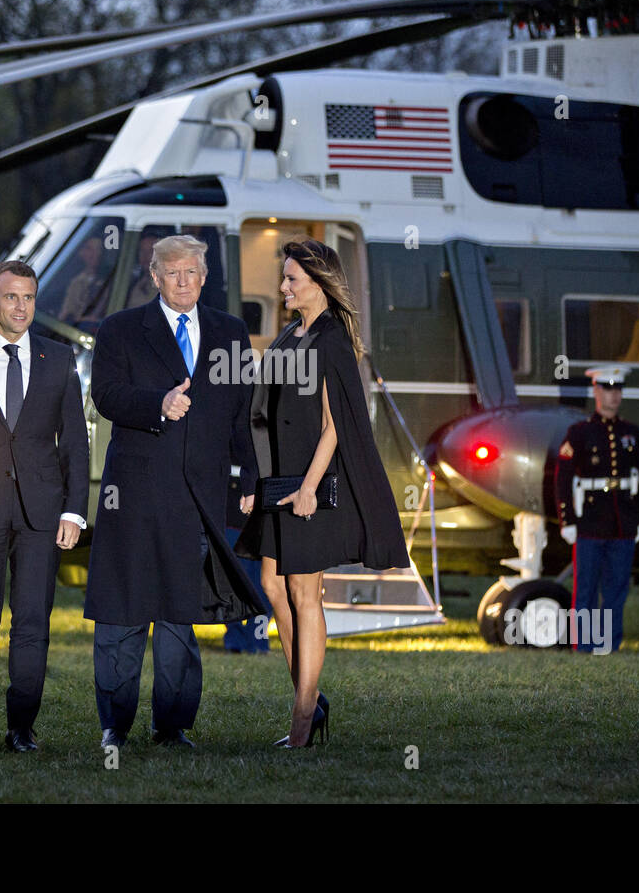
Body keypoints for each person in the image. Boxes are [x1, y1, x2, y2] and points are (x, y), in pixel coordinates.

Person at [84, 234, 263, 749]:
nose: (183, 281)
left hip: (198, 498)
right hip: (134, 495)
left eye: (192, 272)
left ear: (204, 278)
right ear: (154, 277)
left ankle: (173, 725)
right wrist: (158, 405)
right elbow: (106, 395)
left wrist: (248, 477)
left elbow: (240, 412)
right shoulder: (120, 330)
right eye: (172, 272)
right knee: (123, 610)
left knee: (179, 615)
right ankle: (114, 725)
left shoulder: (230, 332)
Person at [236, 239, 409, 748]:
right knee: (272, 586)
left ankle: (302, 719)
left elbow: (336, 425)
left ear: (318, 282)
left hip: (312, 483)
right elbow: (265, 413)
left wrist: (309, 487)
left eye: (291, 279)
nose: (283, 287)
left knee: (303, 593)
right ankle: (310, 700)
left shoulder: (332, 339)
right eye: (284, 278)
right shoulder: (292, 334)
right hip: (280, 482)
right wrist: (258, 485)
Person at [0, 260, 89, 753]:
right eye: (11, 298)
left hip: (42, 514)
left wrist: (74, 511)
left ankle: (22, 728)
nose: (22, 307)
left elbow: (75, 440)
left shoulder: (59, 357)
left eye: (28, 297)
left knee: (33, 623)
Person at [554, 365, 639, 653]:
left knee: (617, 589)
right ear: (596, 391)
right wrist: (567, 519)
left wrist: (638, 518)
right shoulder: (580, 432)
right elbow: (563, 477)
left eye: (618, 389)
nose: (613, 396)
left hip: (622, 522)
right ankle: (583, 646)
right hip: (590, 522)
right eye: (607, 389)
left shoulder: (632, 433)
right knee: (586, 590)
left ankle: (609, 644)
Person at [58, 236, 111, 324]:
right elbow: (65, 313)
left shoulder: (109, 282)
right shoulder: (75, 281)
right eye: (90, 249)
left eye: (98, 250)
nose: (95, 254)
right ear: (81, 253)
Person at [125, 231, 161, 308]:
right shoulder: (133, 281)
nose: (145, 255)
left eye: (150, 251)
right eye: (142, 250)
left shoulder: (165, 286)